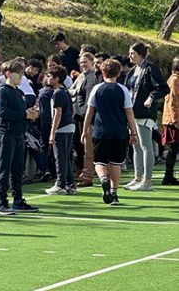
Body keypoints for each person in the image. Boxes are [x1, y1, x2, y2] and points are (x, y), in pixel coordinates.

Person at [82, 59, 138, 205]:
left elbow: (89, 111)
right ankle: (114, 192)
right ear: (119, 73)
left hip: (101, 132)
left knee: (99, 161)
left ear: (102, 72)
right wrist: (133, 132)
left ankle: (103, 179)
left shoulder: (97, 89)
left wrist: (84, 130)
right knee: (116, 163)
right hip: (119, 132)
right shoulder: (123, 90)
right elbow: (129, 113)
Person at [0, 59, 39, 215]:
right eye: (17, 73)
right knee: (4, 169)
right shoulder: (2, 91)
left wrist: (31, 115)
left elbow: (22, 113)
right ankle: (1, 202)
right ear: (8, 74)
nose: (21, 77)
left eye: (21, 73)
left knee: (18, 170)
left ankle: (18, 200)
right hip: (5, 134)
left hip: (18, 134)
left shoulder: (19, 92)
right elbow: (3, 113)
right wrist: (24, 114)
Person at [123, 42, 169, 191]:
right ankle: (138, 178)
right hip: (132, 113)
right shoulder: (132, 71)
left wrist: (151, 97)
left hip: (145, 113)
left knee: (145, 146)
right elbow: (127, 89)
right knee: (135, 146)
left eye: (132, 53)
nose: (130, 56)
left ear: (140, 54)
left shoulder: (150, 68)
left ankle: (147, 181)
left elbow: (163, 87)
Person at [44, 64, 76, 195]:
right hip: (69, 126)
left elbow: (58, 113)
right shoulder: (65, 91)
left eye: (50, 76)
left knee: (60, 157)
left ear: (57, 79)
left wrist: (53, 132)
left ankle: (60, 184)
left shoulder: (57, 93)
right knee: (65, 157)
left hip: (62, 128)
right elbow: (72, 110)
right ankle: (70, 183)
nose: (47, 79)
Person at [69, 52, 98, 187]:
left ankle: (88, 175)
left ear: (92, 62)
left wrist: (86, 114)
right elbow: (71, 90)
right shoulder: (81, 76)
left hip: (86, 115)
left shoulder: (92, 77)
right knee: (79, 144)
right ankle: (83, 171)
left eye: (85, 62)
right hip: (78, 115)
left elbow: (89, 99)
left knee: (88, 147)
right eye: (81, 62)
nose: (83, 65)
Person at [162, 57, 179, 185]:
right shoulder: (174, 80)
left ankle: (169, 175)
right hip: (174, 119)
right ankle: (168, 175)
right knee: (174, 148)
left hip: (172, 118)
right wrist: (176, 119)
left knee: (174, 148)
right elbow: (173, 102)